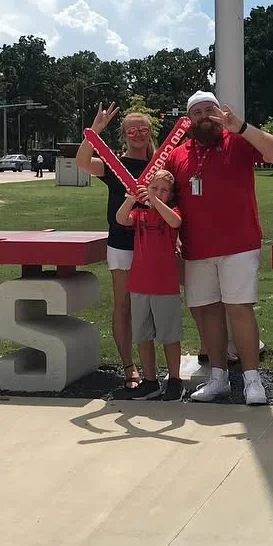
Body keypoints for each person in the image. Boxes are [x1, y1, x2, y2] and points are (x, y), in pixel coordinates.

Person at [166, 91, 273, 405]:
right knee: (208, 315)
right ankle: (218, 378)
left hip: (238, 244)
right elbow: (170, 200)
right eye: (197, 113)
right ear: (189, 119)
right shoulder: (178, 155)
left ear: (220, 112)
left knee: (239, 309)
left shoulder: (239, 140)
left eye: (210, 109)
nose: (204, 116)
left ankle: (252, 381)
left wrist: (242, 126)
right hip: (196, 248)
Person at [76, 104, 155, 389]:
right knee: (123, 305)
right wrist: (94, 131)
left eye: (143, 129)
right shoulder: (112, 165)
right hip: (122, 243)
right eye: (131, 130)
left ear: (150, 133)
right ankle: (129, 367)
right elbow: (83, 162)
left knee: (157, 305)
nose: (138, 135)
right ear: (123, 135)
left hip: (156, 244)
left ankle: (155, 368)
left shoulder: (162, 162)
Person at [116, 170, 185, 401]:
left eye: (164, 190)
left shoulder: (171, 212)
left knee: (169, 336)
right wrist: (132, 197)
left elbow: (176, 221)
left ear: (171, 194)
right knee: (143, 335)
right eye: (154, 188)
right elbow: (120, 219)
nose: (158, 193)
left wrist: (155, 201)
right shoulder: (140, 214)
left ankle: (175, 379)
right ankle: (150, 379)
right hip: (139, 284)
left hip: (164, 285)